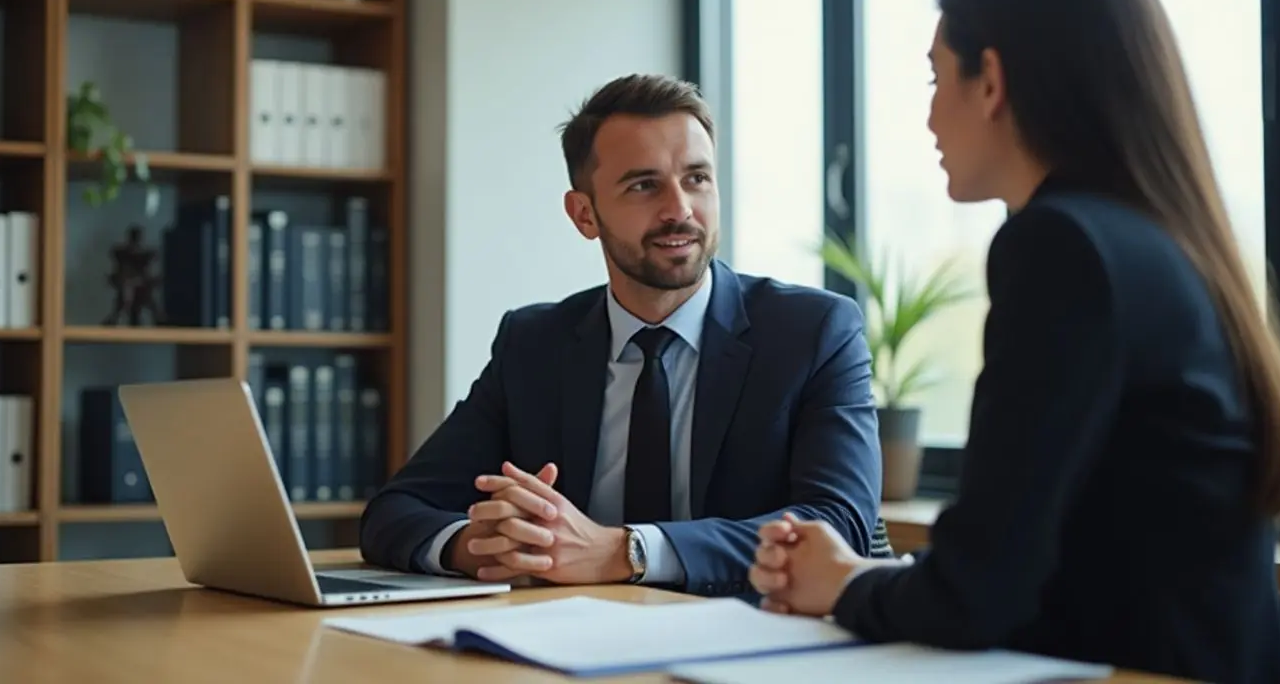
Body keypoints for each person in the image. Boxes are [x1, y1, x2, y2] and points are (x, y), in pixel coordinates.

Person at [749, 0, 1280, 684]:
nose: (931, 118)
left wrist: (843, 582)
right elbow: (1043, 556)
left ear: (992, 80)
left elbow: (976, 595)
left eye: (938, 79)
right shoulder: (1169, 245)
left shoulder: (1059, 246)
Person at [359, 74, 888, 597]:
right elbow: (395, 510)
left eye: (697, 178)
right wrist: (477, 546)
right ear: (584, 214)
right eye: (644, 185)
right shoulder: (534, 344)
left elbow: (839, 525)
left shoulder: (812, 332)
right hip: (573, 642)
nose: (679, 209)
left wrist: (624, 551)